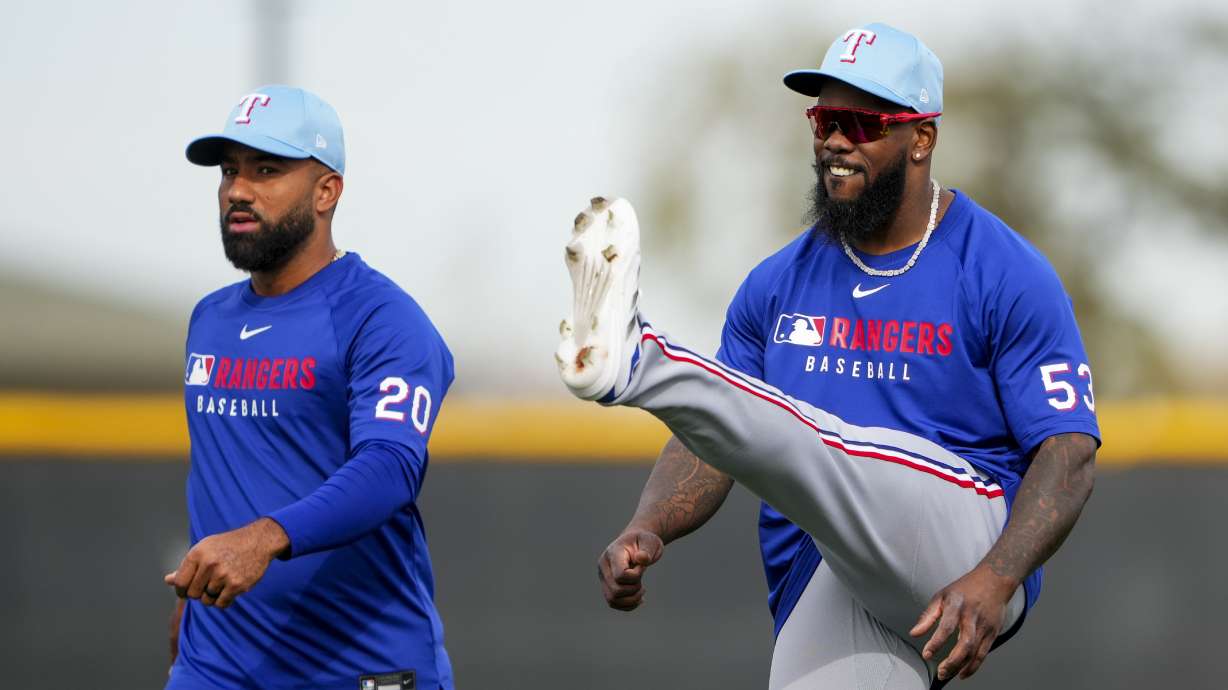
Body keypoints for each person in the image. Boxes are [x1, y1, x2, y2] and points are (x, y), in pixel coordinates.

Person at [559, 23, 1099, 690]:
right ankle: (638, 363)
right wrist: (649, 526)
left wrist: (997, 577)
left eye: (859, 121)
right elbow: (717, 437)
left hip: (966, 545)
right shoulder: (777, 284)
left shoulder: (1002, 271)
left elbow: (1069, 453)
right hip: (827, 574)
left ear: (921, 138)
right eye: (823, 118)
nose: (835, 139)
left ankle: (641, 361)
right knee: (796, 439)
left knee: (825, 442)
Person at [165, 85, 455, 690]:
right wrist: (194, 601)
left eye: (267, 170)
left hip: (357, 666)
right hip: (216, 665)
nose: (238, 190)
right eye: (229, 171)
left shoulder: (381, 317)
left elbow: (389, 467)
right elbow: (228, 474)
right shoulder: (209, 319)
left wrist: (263, 540)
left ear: (327, 191)